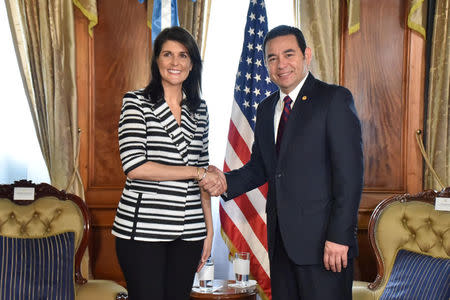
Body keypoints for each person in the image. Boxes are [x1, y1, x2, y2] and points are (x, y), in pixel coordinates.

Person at [202, 25, 363, 300]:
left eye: (289, 54)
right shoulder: (266, 108)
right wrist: (225, 181)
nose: (281, 64)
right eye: (272, 58)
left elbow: (350, 176)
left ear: (306, 55)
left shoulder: (333, 99)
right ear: (266, 64)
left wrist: (338, 237)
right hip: (281, 245)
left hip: (325, 246)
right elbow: (261, 167)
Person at [112, 26, 226, 300]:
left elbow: (203, 175)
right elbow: (135, 166)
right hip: (142, 231)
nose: (175, 62)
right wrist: (197, 172)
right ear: (157, 61)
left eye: (183, 55)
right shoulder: (136, 102)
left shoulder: (200, 109)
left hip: (190, 230)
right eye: (167, 54)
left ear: (192, 64)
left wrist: (209, 231)